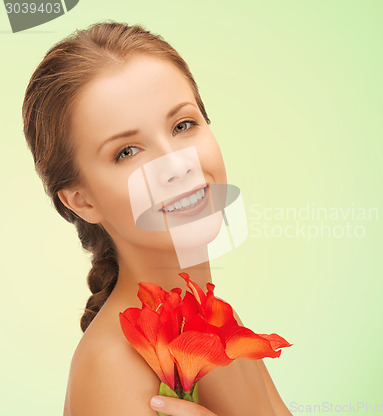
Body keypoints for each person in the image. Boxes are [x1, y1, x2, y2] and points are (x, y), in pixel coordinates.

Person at [22, 20, 291, 416]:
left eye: (183, 125)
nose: (177, 165)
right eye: (127, 151)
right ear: (81, 200)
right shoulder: (112, 366)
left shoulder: (216, 324)